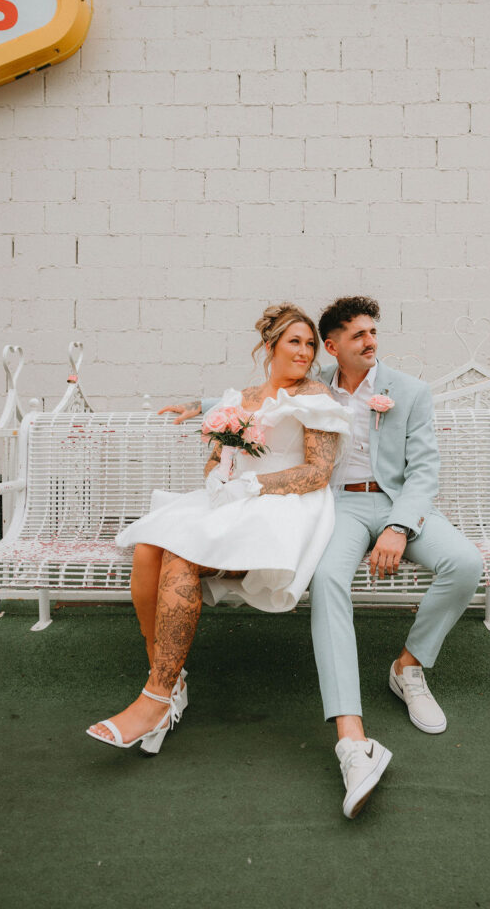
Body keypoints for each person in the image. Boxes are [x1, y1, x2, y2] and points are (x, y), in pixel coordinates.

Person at [175, 296, 483, 819]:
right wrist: (203, 404)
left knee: (465, 564)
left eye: (373, 332)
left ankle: (407, 668)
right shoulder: (313, 382)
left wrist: (398, 526)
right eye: (357, 335)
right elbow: (264, 399)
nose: (370, 341)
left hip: (394, 501)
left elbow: (425, 471)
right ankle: (349, 728)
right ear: (334, 345)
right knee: (329, 581)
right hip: (335, 505)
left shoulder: (408, 391)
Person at [86, 303, 353, 754]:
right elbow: (221, 455)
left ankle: (155, 697)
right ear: (270, 347)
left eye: (310, 344)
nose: (306, 351)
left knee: (182, 555)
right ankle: (165, 679)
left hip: (285, 503)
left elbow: (317, 473)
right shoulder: (241, 398)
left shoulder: (314, 398)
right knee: (151, 547)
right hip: (233, 498)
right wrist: (218, 470)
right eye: (295, 341)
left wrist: (252, 484)